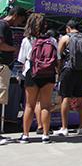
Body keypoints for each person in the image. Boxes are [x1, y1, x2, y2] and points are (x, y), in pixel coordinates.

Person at [18, 13, 58, 144]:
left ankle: (25, 135)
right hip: (48, 74)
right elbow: (57, 59)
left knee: (29, 105)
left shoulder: (27, 40)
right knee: (46, 105)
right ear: (45, 25)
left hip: (32, 73)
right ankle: (45, 135)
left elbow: (21, 60)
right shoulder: (52, 40)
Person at [55, 20, 82, 136]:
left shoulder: (66, 38)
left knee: (66, 97)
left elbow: (59, 56)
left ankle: (64, 127)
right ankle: (81, 127)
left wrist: (59, 70)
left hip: (68, 69)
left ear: (68, 28)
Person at [0, 6, 26, 145]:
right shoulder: (3, 25)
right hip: (2, 67)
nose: (19, 24)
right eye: (20, 19)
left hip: (4, 67)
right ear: (15, 15)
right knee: (0, 98)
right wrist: (14, 49)